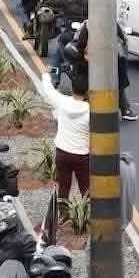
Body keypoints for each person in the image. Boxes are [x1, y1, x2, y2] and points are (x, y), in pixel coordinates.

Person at [43, 71, 89, 204]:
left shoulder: (62, 101)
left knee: (63, 187)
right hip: (82, 155)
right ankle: (86, 214)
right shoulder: (91, 110)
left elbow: (48, 90)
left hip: (62, 153)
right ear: (87, 92)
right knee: (86, 189)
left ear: (72, 88)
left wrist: (46, 74)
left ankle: (63, 213)